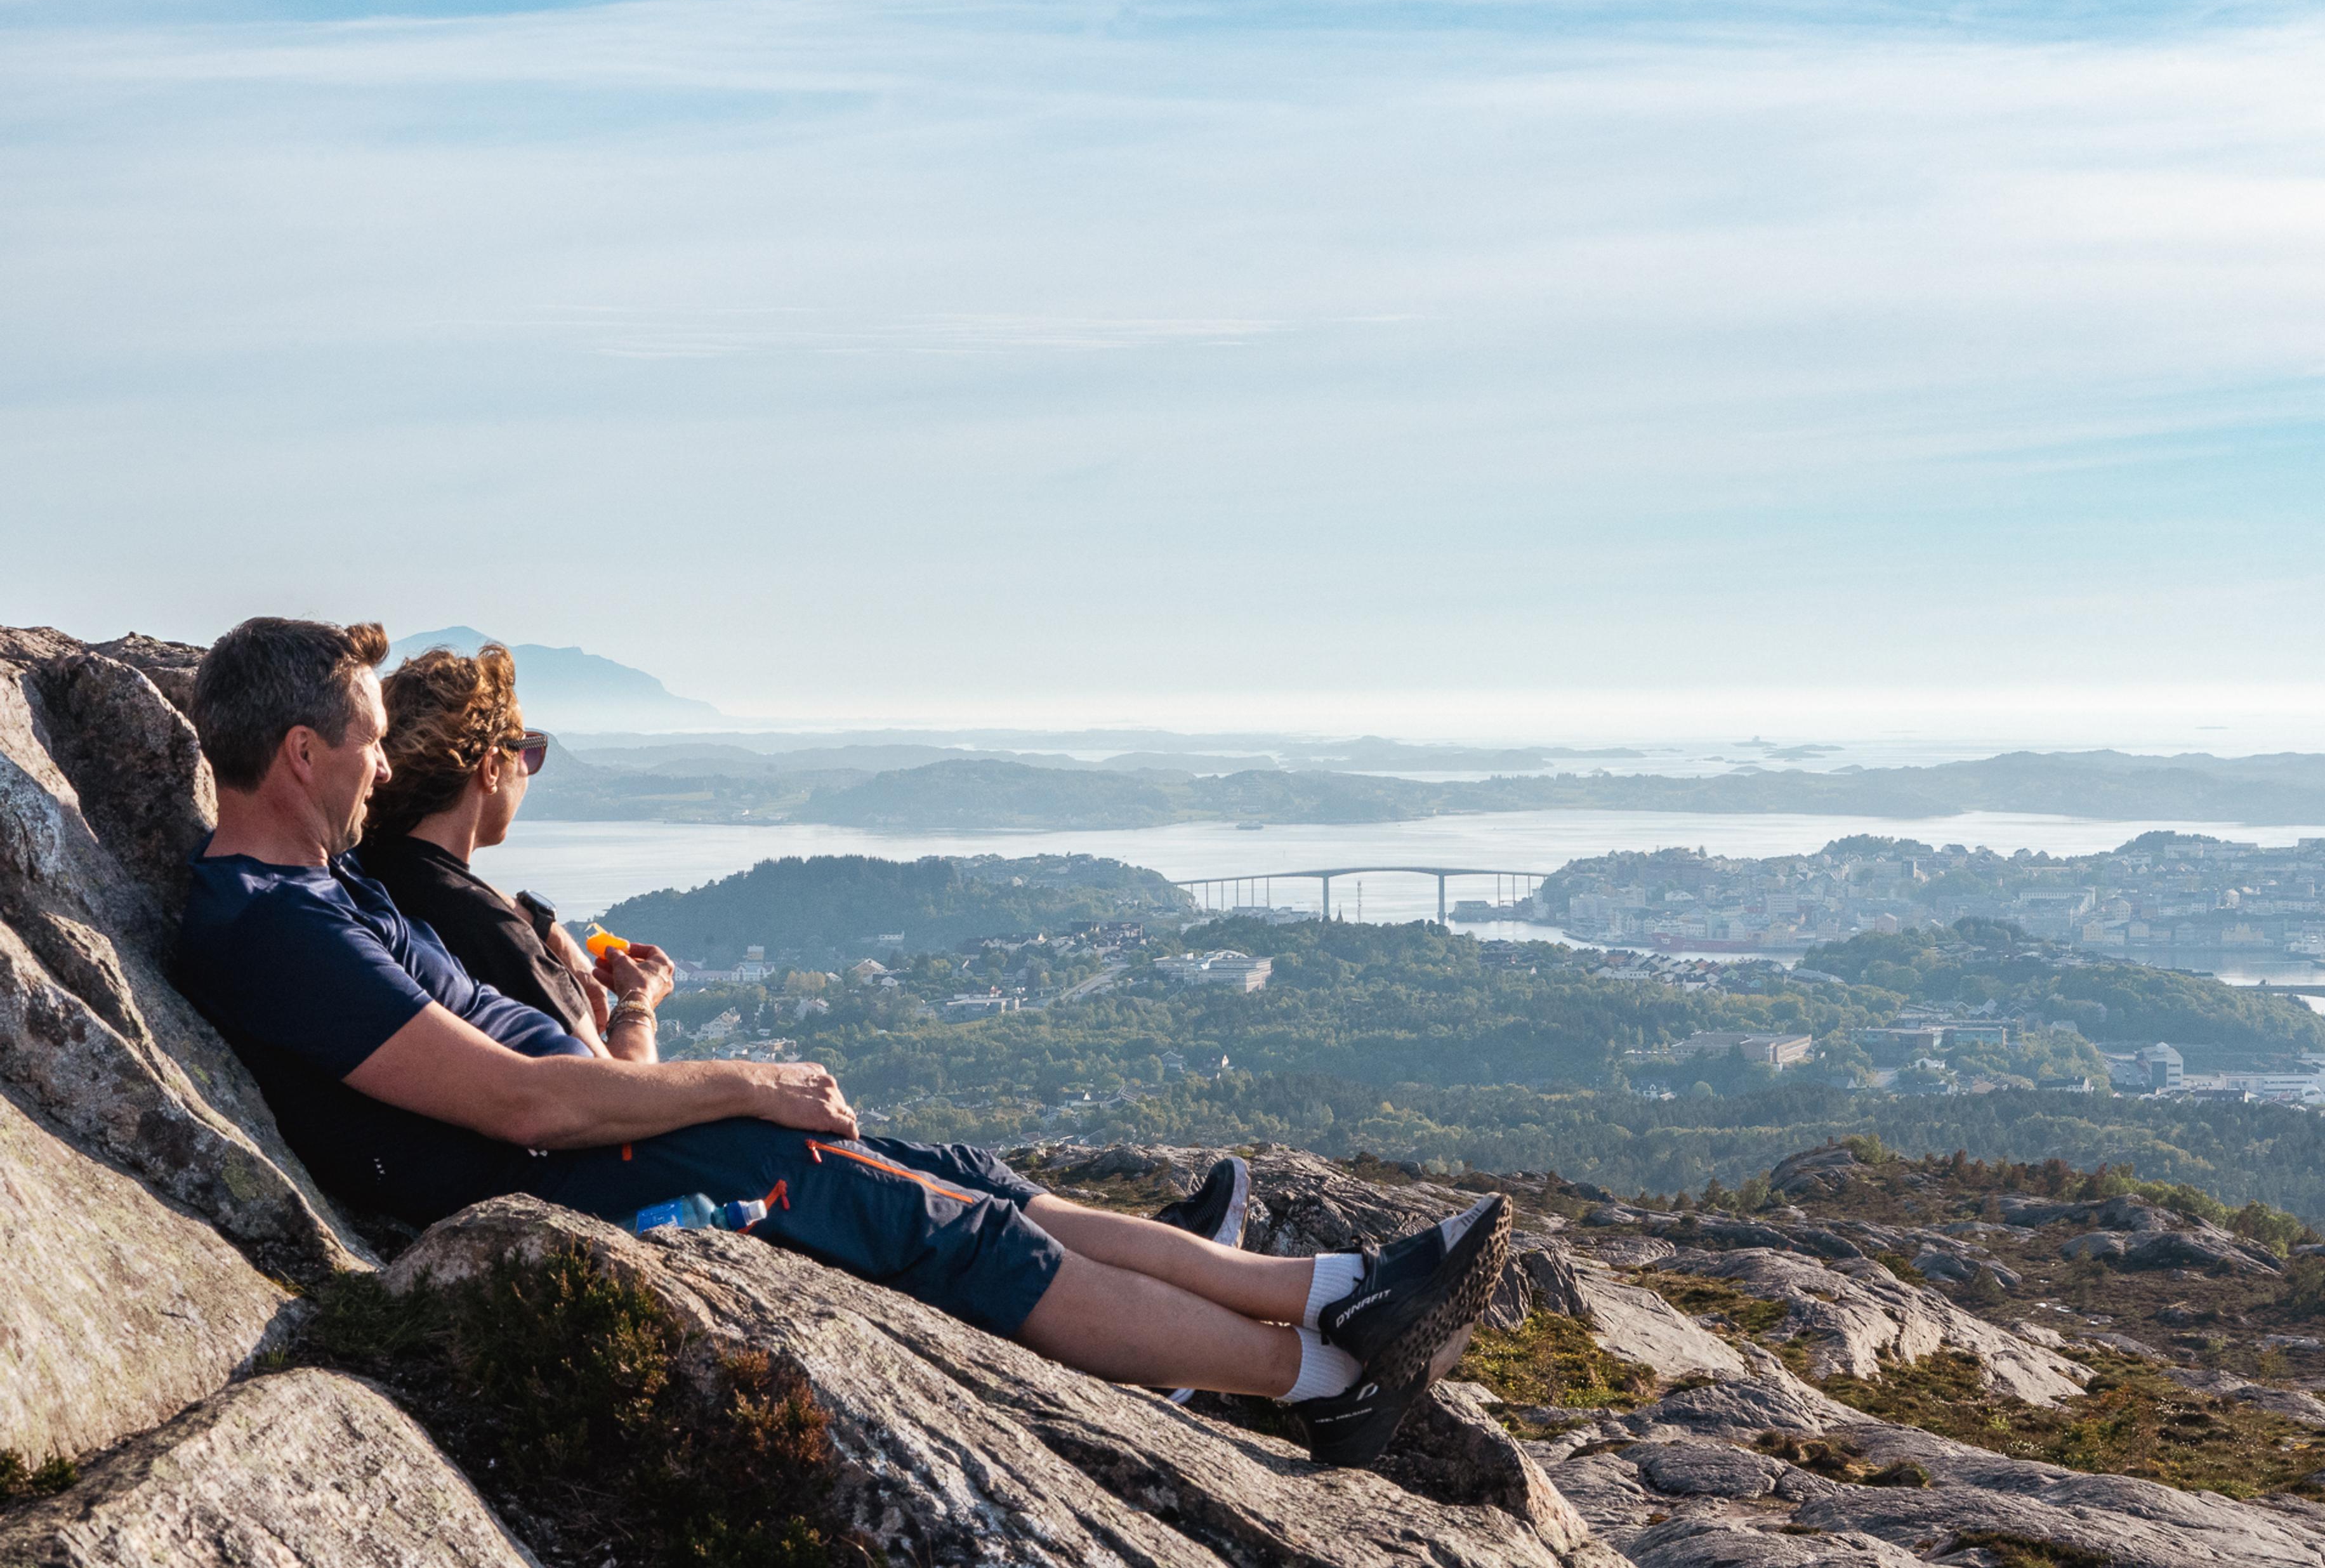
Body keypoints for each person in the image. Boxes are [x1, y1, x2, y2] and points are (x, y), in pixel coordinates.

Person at [173, 617, 1508, 1467]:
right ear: (301, 754)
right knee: (961, 1233)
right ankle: (1322, 1367)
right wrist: (746, 1082)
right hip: (576, 1169)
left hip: (611, 1140)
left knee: (959, 1203)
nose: (378, 765)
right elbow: (523, 1100)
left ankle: (1331, 1299)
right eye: (363, 743)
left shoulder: (322, 890)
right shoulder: (275, 927)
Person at [353, 643, 625, 1055]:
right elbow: (619, 1085)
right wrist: (639, 1003)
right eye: (528, 753)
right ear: (492, 768)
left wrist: (545, 928)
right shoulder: (497, 936)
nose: (528, 771)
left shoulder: (360, 863)